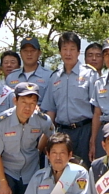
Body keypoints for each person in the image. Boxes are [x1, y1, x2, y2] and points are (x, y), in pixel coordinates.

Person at [41, 32, 100, 162]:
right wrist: (46, 137)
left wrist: (93, 139)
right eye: (65, 49)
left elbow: (97, 110)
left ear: (79, 52)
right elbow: (51, 111)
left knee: (83, 169)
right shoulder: (54, 77)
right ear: (60, 52)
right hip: (62, 132)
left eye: (72, 49)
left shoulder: (90, 74)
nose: (68, 53)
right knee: (62, 169)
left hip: (84, 131)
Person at [6, 37, 53, 107]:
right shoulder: (11, 77)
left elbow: (51, 105)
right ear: (20, 53)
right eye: (25, 51)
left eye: (33, 50)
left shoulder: (50, 76)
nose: (29, 54)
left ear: (39, 53)